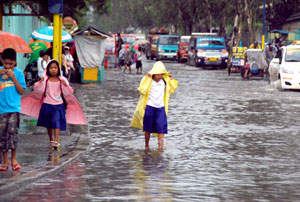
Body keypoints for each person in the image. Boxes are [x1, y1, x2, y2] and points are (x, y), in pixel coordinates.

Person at [130, 61, 178, 149]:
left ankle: (160, 147)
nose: (160, 75)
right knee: (147, 129)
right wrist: (147, 78)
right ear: (154, 73)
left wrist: (171, 79)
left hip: (161, 108)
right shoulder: (148, 80)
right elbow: (142, 90)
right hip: (149, 107)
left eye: (162, 74)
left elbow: (172, 89)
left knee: (161, 128)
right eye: (158, 74)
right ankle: (147, 146)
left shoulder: (164, 81)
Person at [0, 48, 26, 171]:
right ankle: (5, 161)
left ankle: (13, 159)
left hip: (14, 108)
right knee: (2, 136)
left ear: (15, 62)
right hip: (1, 109)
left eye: (10, 64)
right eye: (5, 63)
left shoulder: (19, 73)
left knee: (13, 133)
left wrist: (13, 78)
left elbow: (21, 91)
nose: (8, 66)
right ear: (2, 61)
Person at [36, 60, 69, 150]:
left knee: (56, 122)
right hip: (47, 104)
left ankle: (56, 140)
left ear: (58, 69)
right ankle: (51, 140)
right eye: (51, 68)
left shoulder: (62, 79)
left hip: (58, 104)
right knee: (49, 124)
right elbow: (37, 89)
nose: (53, 70)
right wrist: (40, 82)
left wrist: (65, 85)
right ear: (48, 69)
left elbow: (69, 91)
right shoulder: (45, 79)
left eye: (55, 67)